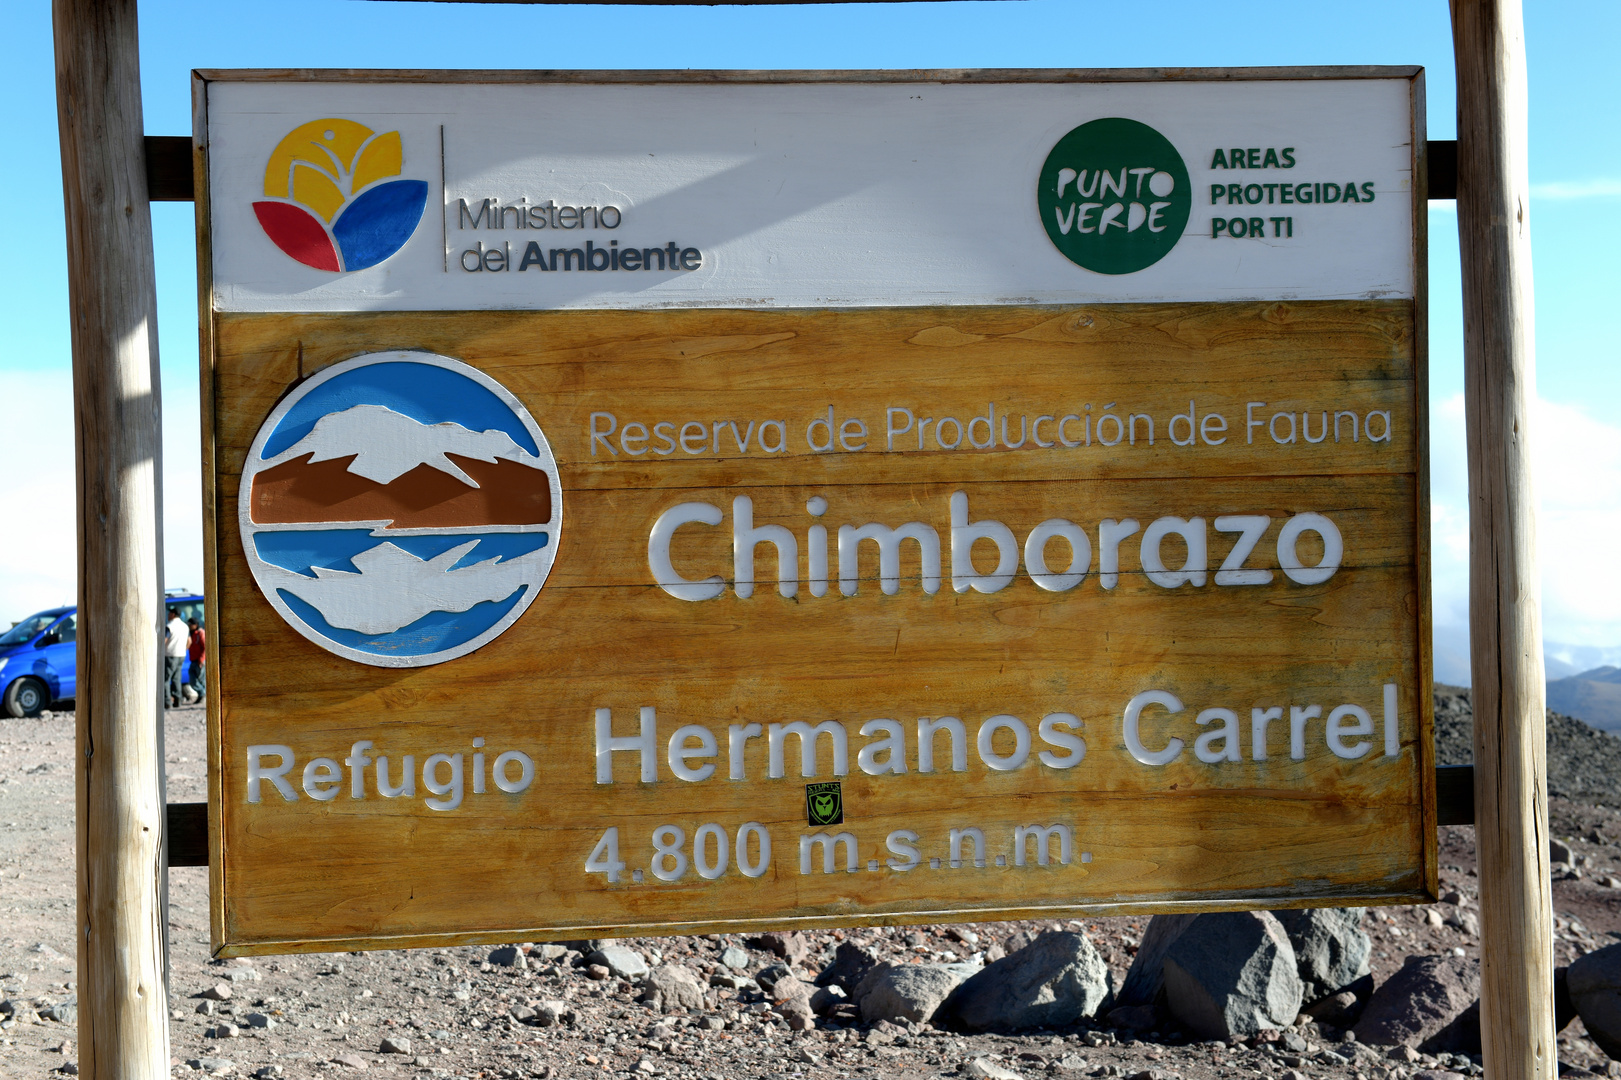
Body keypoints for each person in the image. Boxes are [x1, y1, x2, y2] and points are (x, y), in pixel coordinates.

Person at [164, 608, 187, 708]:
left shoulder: (169, 626)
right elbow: (189, 641)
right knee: (177, 679)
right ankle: (178, 700)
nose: (168, 615)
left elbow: (165, 640)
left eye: (169, 613)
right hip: (181, 655)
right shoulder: (185, 626)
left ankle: (167, 702)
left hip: (170, 655)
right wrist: (183, 649)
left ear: (173, 614)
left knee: (165, 679)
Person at [186, 617, 206, 702]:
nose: (189, 626)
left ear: (196, 625)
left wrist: (201, 659)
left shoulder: (200, 633)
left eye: (191, 625)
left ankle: (203, 695)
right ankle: (202, 694)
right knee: (192, 680)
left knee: (200, 679)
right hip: (193, 660)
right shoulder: (191, 634)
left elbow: (205, 647)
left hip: (199, 660)